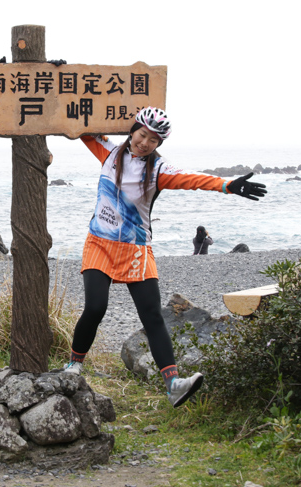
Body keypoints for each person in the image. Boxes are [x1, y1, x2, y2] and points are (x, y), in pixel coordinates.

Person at [64, 107, 266, 407]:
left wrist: (227, 185)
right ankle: (74, 366)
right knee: (95, 307)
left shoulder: (159, 170)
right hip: (100, 244)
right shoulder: (108, 151)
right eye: (142, 135)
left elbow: (192, 179)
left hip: (137, 249)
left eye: (154, 140)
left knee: (153, 316)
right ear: (132, 130)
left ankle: (173, 383)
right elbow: (76, 124)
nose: (145, 143)